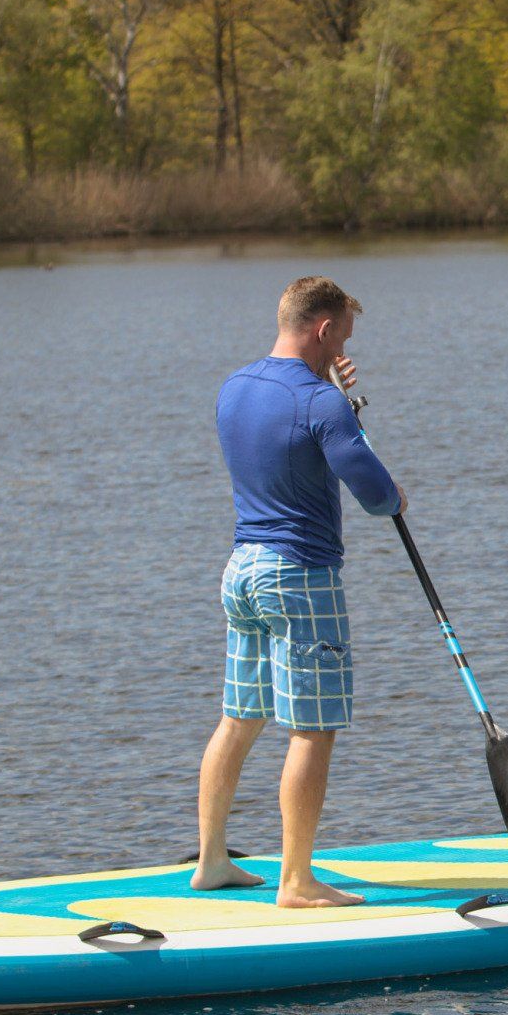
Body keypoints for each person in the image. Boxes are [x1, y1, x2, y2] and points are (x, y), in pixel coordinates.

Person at [193, 276, 405, 908]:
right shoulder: (322, 402)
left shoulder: (235, 387)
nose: (345, 347)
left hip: (242, 570)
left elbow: (286, 443)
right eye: (343, 336)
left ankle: (212, 861)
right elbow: (376, 496)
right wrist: (394, 490)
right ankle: (296, 881)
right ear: (323, 328)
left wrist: (332, 391)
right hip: (300, 576)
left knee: (239, 718)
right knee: (313, 728)